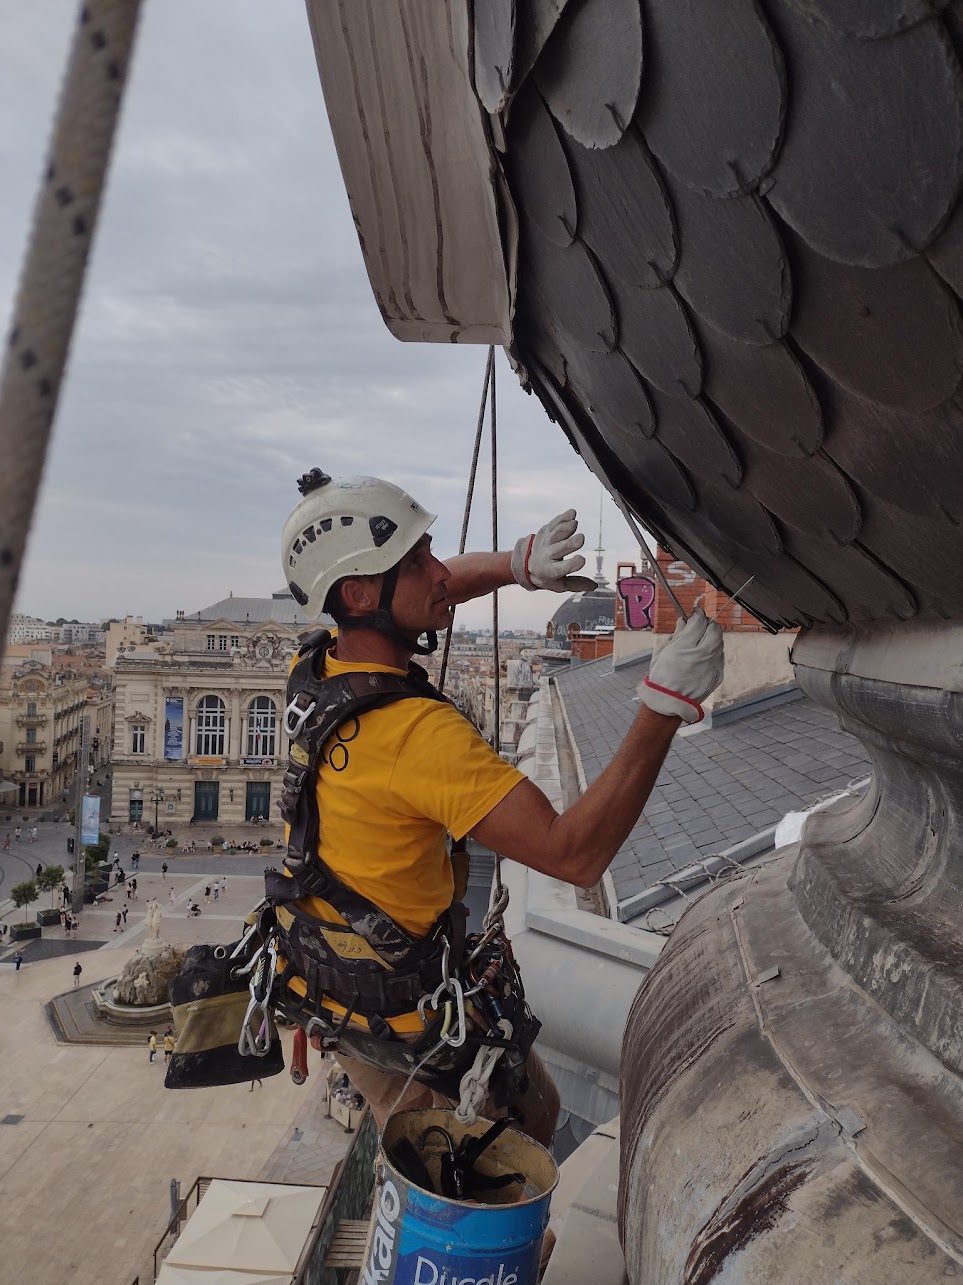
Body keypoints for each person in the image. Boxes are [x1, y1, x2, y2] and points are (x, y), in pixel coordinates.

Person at [263, 470, 723, 1146]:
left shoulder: (319, 669)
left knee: (533, 1108)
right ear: (359, 593)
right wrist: (661, 704)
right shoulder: (417, 736)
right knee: (476, 1169)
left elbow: (436, 583)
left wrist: (514, 565)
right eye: (415, 560)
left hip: (335, 982)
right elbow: (573, 853)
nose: (438, 570)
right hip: (400, 1016)